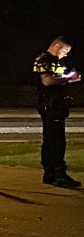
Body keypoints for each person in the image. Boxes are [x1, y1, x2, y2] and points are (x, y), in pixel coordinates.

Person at [33, 35, 80, 188]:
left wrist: (69, 75)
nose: (66, 54)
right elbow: (47, 81)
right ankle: (58, 173)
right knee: (57, 140)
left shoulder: (56, 61)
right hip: (50, 104)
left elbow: (60, 74)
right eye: (65, 50)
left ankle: (50, 172)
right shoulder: (44, 60)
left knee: (51, 138)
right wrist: (68, 80)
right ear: (57, 47)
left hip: (54, 104)